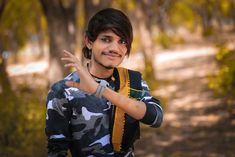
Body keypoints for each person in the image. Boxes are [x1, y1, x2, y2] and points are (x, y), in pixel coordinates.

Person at [45, 8, 163, 157]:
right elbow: (56, 151)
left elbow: (156, 118)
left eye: (122, 41)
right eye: (106, 39)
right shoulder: (63, 90)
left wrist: (100, 90)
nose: (115, 48)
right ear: (89, 41)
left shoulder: (132, 82)